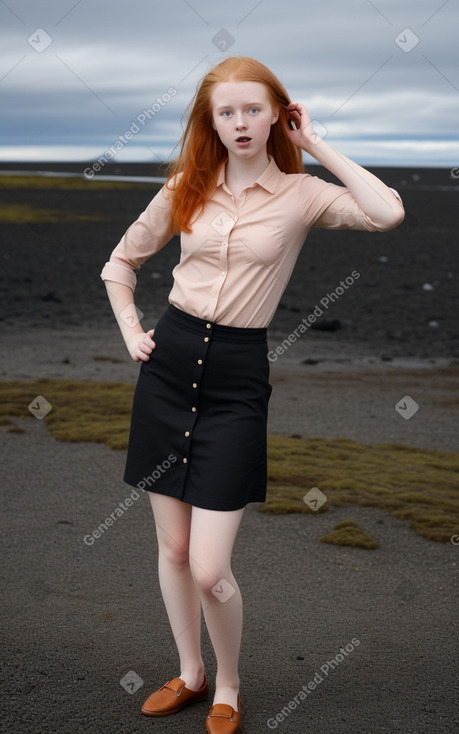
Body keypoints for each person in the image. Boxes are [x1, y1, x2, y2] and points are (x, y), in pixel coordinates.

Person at [101, 56, 404, 734]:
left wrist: (315, 143)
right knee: (173, 551)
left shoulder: (303, 194)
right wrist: (130, 332)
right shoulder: (186, 187)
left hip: (237, 378)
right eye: (225, 112)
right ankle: (190, 671)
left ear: (277, 114)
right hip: (167, 367)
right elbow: (120, 262)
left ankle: (229, 684)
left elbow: (387, 213)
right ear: (211, 122)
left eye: (253, 109)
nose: (240, 123)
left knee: (211, 568)